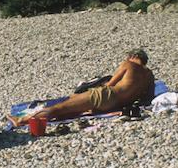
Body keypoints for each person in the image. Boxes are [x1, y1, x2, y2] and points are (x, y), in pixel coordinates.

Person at [9, 49, 155, 127]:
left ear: (133, 56)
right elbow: (147, 97)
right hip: (117, 105)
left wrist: (97, 87)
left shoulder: (128, 64)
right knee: (72, 108)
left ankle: (22, 120)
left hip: (107, 96)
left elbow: (110, 85)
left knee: (59, 108)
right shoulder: (149, 75)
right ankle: (60, 111)